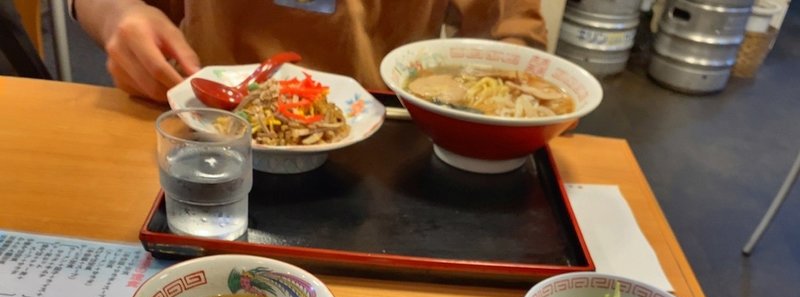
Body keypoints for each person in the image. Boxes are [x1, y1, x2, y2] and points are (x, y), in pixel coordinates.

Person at [70, 0, 549, 102]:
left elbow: (512, 25)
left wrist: (516, 88)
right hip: (204, 125)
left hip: (387, 139)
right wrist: (117, 14)